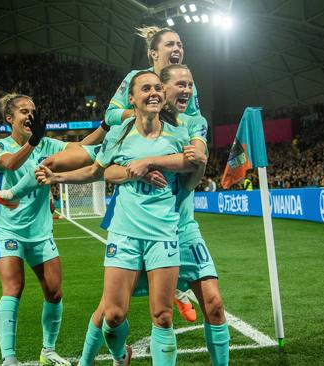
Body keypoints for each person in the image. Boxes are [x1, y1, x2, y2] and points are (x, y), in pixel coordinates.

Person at [36, 71, 197, 366]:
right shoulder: (119, 133)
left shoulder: (178, 133)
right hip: (124, 232)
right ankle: (121, 355)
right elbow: (95, 171)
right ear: (131, 99)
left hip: (163, 232)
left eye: (158, 88)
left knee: (162, 315)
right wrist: (56, 176)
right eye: (145, 89)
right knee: (112, 314)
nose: (154, 93)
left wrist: (150, 162)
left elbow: (192, 161)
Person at [89, 65, 229, 366]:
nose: (187, 90)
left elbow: (193, 170)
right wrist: (132, 169)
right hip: (133, 227)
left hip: (178, 227)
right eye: (180, 83)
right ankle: (115, 355)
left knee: (195, 308)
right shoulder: (128, 128)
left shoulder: (191, 125)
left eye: (191, 84)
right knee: (111, 314)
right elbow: (103, 167)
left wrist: (171, 162)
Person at [0, 93, 73, 366]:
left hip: (41, 231)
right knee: (13, 287)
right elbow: (11, 163)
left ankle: (48, 351)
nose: (30, 116)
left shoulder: (47, 143)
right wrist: (34, 143)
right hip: (8, 228)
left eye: (33, 111)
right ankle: (8, 359)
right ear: (10, 118)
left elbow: (80, 148)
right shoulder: (0, 146)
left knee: (55, 292)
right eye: (24, 111)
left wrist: (106, 127)